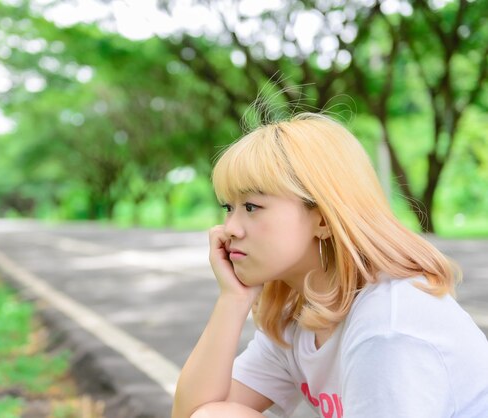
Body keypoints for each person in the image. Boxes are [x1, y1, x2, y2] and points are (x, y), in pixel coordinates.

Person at [171, 113, 488, 418]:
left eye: (252, 206)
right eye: (229, 207)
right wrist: (233, 300)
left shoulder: (387, 328)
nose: (230, 229)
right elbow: (193, 412)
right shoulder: (299, 314)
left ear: (322, 219)